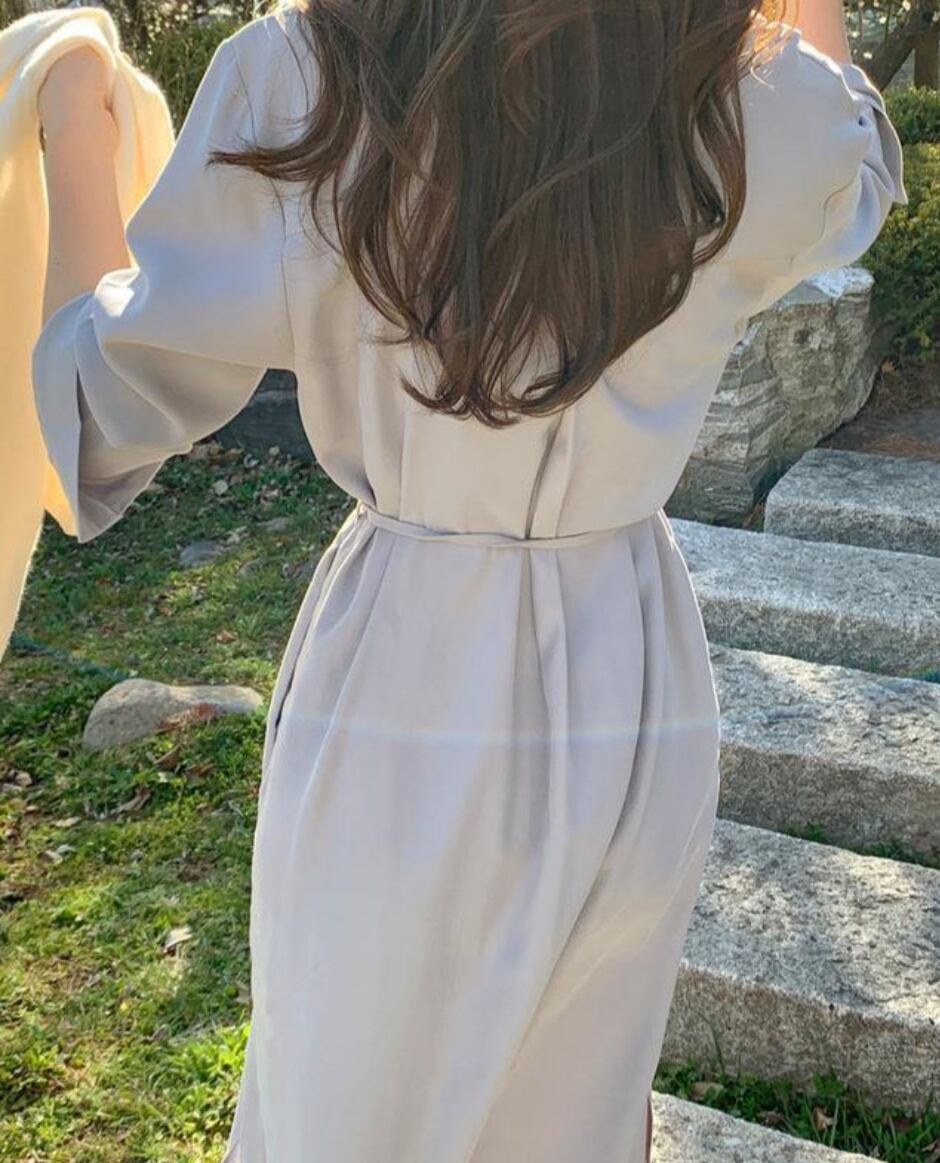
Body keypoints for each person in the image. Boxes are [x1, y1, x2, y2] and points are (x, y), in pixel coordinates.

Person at [33, 1, 903, 1159]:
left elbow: (91, 416)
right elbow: (856, 158)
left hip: (402, 672)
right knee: (570, 1114)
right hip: (632, 670)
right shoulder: (755, 98)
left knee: (351, 1113)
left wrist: (70, 116)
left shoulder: (305, 79)